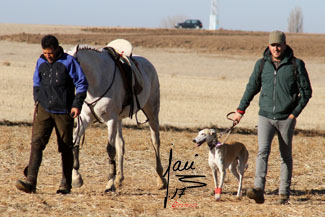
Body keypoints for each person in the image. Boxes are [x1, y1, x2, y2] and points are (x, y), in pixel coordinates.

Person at [233, 30, 312, 204]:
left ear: (285, 45)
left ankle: (283, 193)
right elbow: (251, 88)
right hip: (265, 117)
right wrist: (240, 111)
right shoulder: (262, 65)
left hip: (286, 118)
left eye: (279, 45)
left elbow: (307, 93)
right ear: (269, 45)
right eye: (273, 45)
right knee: (262, 152)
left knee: (285, 155)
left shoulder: (296, 65)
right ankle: (258, 189)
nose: (276, 48)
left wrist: (293, 114)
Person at [15, 35, 88, 194]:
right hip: (44, 110)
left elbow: (81, 84)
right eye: (45, 53)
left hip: (64, 111)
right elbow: (36, 82)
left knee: (65, 147)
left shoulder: (69, 62)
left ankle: (65, 184)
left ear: (57, 49)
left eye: (50, 53)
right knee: (36, 144)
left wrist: (76, 105)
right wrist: (37, 99)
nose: (48, 56)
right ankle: (31, 182)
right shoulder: (40, 62)